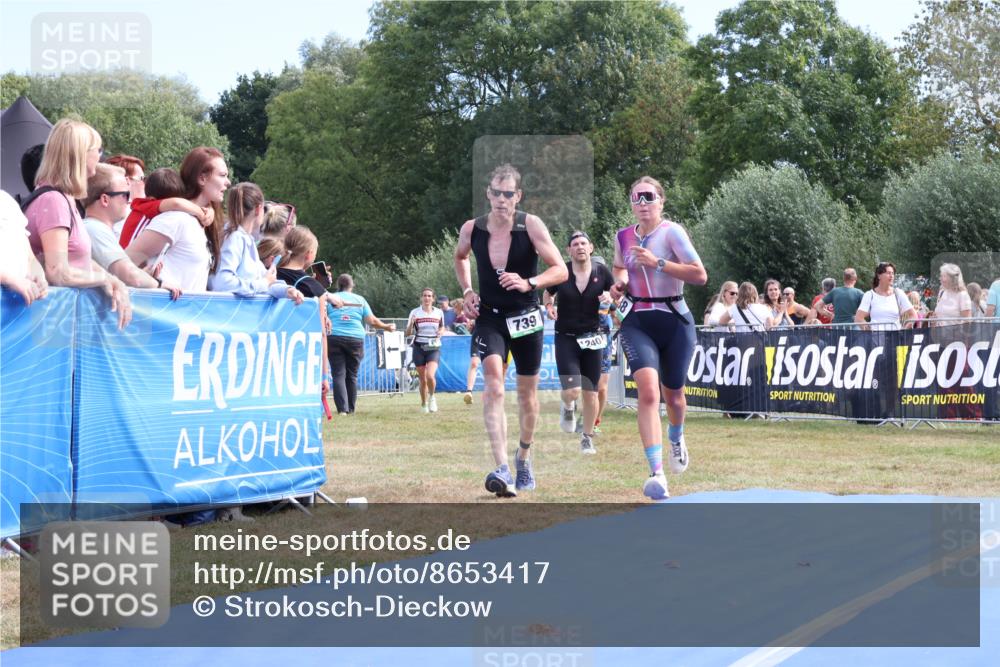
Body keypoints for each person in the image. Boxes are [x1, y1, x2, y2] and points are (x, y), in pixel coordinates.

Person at [454, 163, 568, 497]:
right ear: (488, 194)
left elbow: (559, 270)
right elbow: (460, 258)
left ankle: (523, 457)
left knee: (526, 396)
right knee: (493, 385)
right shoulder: (472, 228)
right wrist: (466, 291)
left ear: (517, 196)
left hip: (525, 316)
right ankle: (502, 466)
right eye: (495, 193)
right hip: (489, 317)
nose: (501, 199)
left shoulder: (530, 225)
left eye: (508, 194)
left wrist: (528, 281)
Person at [610, 176, 707, 501]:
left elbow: (700, 275)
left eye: (648, 197)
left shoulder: (672, 232)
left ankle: (676, 437)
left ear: (661, 201)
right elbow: (619, 269)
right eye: (635, 198)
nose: (641, 203)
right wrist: (619, 283)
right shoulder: (623, 236)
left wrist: (659, 263)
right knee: (648, 394)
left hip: (675, 320)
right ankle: (657, 473)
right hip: (636, 320)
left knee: (675, 397)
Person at [22, 118, 131, 329]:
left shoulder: (63, 198)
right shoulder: (54, 201)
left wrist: (109, 278)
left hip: (60, 322)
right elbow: (58, 272)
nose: (101, 157)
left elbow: (79, 258)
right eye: (97, 150)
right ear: (80, 154)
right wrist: (107, 280)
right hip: (50, 325)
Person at [543, 230, 614, 454]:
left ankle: (587, 437)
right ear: (569, 250)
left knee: (591, 392)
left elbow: (615, 293)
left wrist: (610, 297)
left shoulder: (602, 271)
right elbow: (547, 292)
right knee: (573, 390)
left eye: (584, 243)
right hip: (567, 337)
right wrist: (549, 306)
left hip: (593, 336)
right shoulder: (562, 271)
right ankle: (567, 406)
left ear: (591, 248)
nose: (580, 247)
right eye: (575, 244)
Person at [126, 147, 229, 292]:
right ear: (202, 178)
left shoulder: (199, 221)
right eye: (223, 175)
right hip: (159, 312)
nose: (228, 182)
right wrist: (153, 282)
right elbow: (122, 264)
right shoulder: (175, 219)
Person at [82, 164, 180, 298]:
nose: (129, 200)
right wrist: (158, 284)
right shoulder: (95, 229)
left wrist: (145, 277)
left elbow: (121, 276)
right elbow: (129, 275)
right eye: (125, 195)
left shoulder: (94, 229)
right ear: (105, 199)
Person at [208, 182, 304, 302]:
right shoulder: (235, 238)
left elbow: (265, 279)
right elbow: (223, 284)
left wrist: (287, 290)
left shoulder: (246, 239)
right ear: (258, 209)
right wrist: (263, 283)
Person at [327, 273, 396, 415]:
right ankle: (351, 409)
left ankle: (342, 410)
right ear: (352, 285)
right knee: (352, 375)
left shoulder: (329, 298)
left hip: (334, 337)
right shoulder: (360, 299)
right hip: (355, 339)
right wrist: (386, 327)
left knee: (338, 374)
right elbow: (372, 321)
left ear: (338, 285)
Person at [117, 167, 214, 250]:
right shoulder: (147, 206)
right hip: (127, 262)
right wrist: (201, 214)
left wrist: (209, 210)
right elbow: (176, 204)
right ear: (152, 199)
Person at [0, 190, 48, 305]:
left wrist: (39, 277)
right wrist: (10, 279)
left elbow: (30, 258)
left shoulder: (6, 200)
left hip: (20, 311)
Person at [406, 288, 446, 414]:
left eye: (429, 296)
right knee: (422, 379)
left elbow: (442, 327)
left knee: (430, 375)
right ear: (421, 298)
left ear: (433, 299)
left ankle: (432, 397)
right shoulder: (415, 312)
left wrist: (441, 332)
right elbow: (408, 333)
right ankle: (423, 404)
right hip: (419, 347)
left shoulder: (439, 312)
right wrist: (411, 324)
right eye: (424, 296)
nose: (427, 298)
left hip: (433, 347)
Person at [855, 262, 915, 330]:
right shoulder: (869, 295)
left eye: (892, 273)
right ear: (879, 276)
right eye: (888, 273)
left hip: (895, 338)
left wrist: (903, 330)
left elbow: (913, 315)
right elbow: (858, 318)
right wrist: (869, 333)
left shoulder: (899, 293)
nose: (891, 276)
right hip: (876, 338)